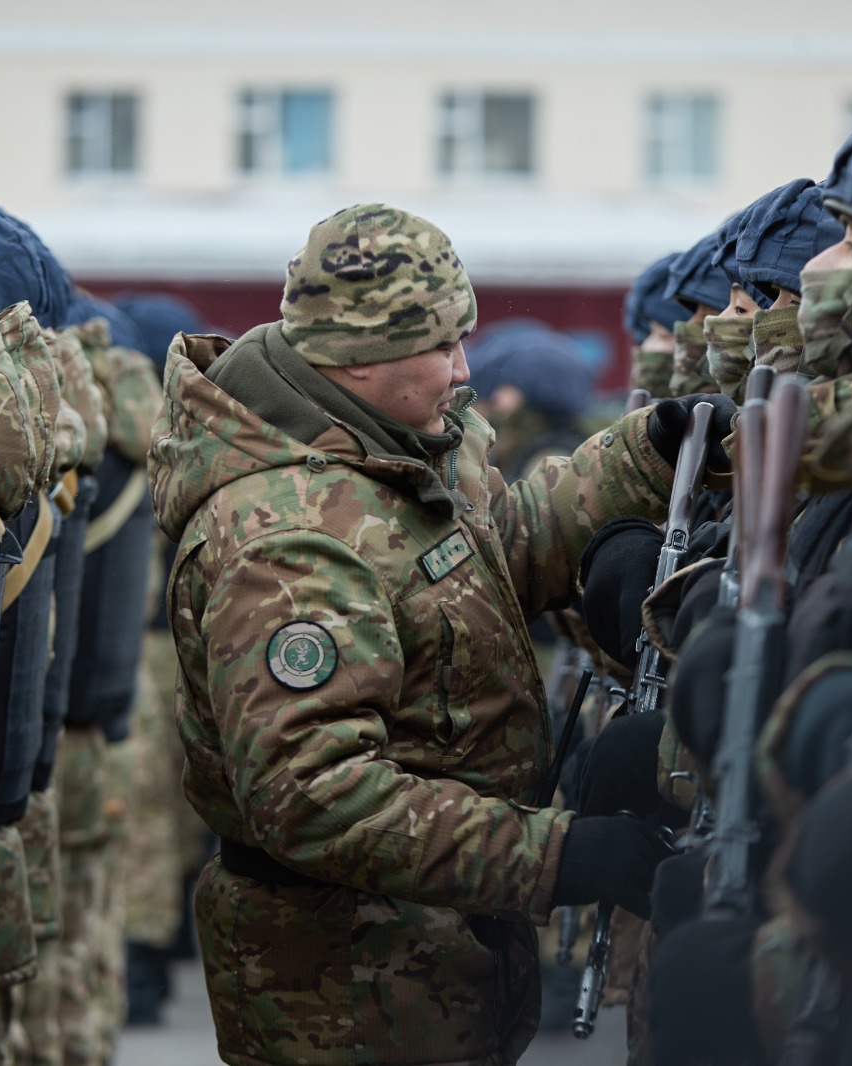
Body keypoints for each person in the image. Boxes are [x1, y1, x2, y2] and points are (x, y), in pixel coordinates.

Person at [147, 202, 701, 1065]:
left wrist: (649, 453)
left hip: (426, 966)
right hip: (348, 991)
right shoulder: (291, 537)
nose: (463, 370)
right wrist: (554, 856)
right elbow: (314, 795)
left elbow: (501, 556)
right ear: (359, 360)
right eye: (441, 346)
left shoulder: (391, 456)